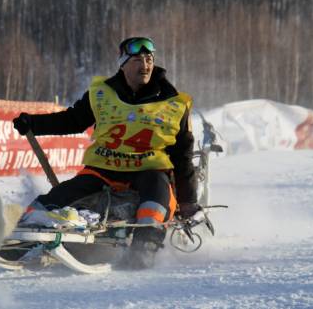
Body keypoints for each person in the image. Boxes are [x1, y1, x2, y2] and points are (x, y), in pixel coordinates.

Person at [13, 36, 201, 269]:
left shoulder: (175, 103)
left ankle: (142, 252)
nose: (145, 65)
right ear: (123, 63)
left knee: (155, 202)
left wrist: (188, 200)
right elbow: (72, 120)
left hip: (149, 171)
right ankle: (17, 243)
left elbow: (183, 156)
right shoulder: (102, 94)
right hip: (102, 170)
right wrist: (33, 123)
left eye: (149, 59)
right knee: (55, 198)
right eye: (138, 59)